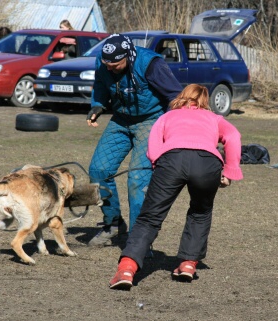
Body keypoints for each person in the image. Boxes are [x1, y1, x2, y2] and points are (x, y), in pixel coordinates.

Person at [108, 84, 244, 290]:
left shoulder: (167, 117)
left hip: (172, 160)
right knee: (200, 212)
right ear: (205, 102)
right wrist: (229, 171)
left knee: (150, 217)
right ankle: (188, 264)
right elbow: (233, 136)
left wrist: (158, 164)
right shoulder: (215, 119)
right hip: (207, 163)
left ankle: (126, 269)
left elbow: (153, 144)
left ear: (181, 97)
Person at [86, 34, 183, 246]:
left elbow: (175, 96)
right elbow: (101, 84)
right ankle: (113, 224)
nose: (110, 68)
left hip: (151, 120)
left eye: (116, 64)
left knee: (138, 180)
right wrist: (98, 105)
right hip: (121, 119)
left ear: (129, 56)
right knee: (98, 170)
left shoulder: (151, 64)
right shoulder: (104, 63)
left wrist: (169, 127)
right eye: (107, 64)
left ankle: (139, 240)